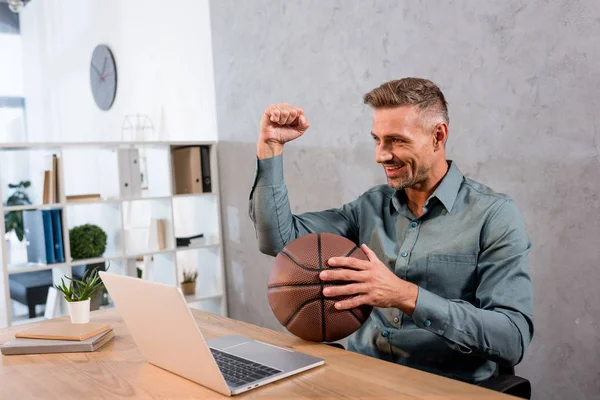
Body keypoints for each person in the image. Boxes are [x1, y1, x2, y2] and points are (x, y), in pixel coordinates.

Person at [248, 77, 534, 384]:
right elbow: (277, 240)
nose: (381, 155)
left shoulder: (495, 216)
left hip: (445, 387)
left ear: (438, 136)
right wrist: (271, 148)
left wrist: (405, 295)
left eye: (397, 140)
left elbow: (512, 338)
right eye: (377, 139)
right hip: (363, 378)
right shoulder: (370, 205)